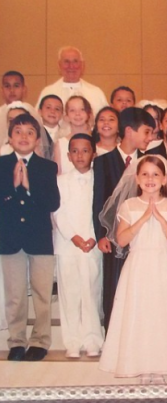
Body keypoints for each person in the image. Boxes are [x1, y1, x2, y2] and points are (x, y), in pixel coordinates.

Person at [99, 155, 167, 383]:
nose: (150, 179)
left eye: (155, 174)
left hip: (162, 265)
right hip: (138, 267)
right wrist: (143, 218)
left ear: (164, 179)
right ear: (137, 178)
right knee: (140, 315)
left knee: (163, 316)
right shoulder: (128, 205)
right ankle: (141, 366)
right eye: (145, 174)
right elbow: (121, 240)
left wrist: (161, 219)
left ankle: (165, 366)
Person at [0, 113, 60, 361]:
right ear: (10, 137)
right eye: (18, 132)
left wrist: (28, 187)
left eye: (29, 133)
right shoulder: (1, 164)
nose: (23, 137)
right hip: (10, 238)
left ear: (37, 139)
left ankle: (40, 340)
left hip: (39, 240)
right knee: (14, 295)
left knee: (42, 293)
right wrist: (14, 188)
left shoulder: (47, 167)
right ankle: (16, 341)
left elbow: (52, 203)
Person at [93, 107, 156, 331]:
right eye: (147, 132)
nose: (150, 138)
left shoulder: (149, 162)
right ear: (129, 131)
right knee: (114, 284)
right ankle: (113, 333)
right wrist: (102, 235)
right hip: (115, 235)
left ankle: (140, 332)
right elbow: (99, 201)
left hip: (144, 235)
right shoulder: (103, 162)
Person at [53, 133, 104, 358]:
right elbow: (57, 211)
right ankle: (72, 340)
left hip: (92, 245)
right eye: (75, 151)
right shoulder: (60, 181)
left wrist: (93, 237)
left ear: (93, 153)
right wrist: (73, 236)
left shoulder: (100, 179)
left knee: (92, 292)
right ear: (68, 155)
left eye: (85, 150)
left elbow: (101, 210)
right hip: (67, 244)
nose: (80, 155)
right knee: (70, 292)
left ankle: (92, 338)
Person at [36, 46, 108, 115]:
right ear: (59, 65)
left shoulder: (95, 93)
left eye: (75, 61)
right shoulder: (48, 92)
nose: (71, 66)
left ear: (82, 65)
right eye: (66, 61)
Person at [54, 95, 93, 174]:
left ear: (89, 113)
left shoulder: (96, 140)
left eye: (82, 109)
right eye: (72, 110)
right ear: (66, 116)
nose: (77, 114)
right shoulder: (61, 143)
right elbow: (58, 174)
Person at [0, 71, 27, 147]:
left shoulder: (31, 113)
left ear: (24, 89)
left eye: (16, 85)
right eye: (7, 86)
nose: (12, 90)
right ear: (2, 90)